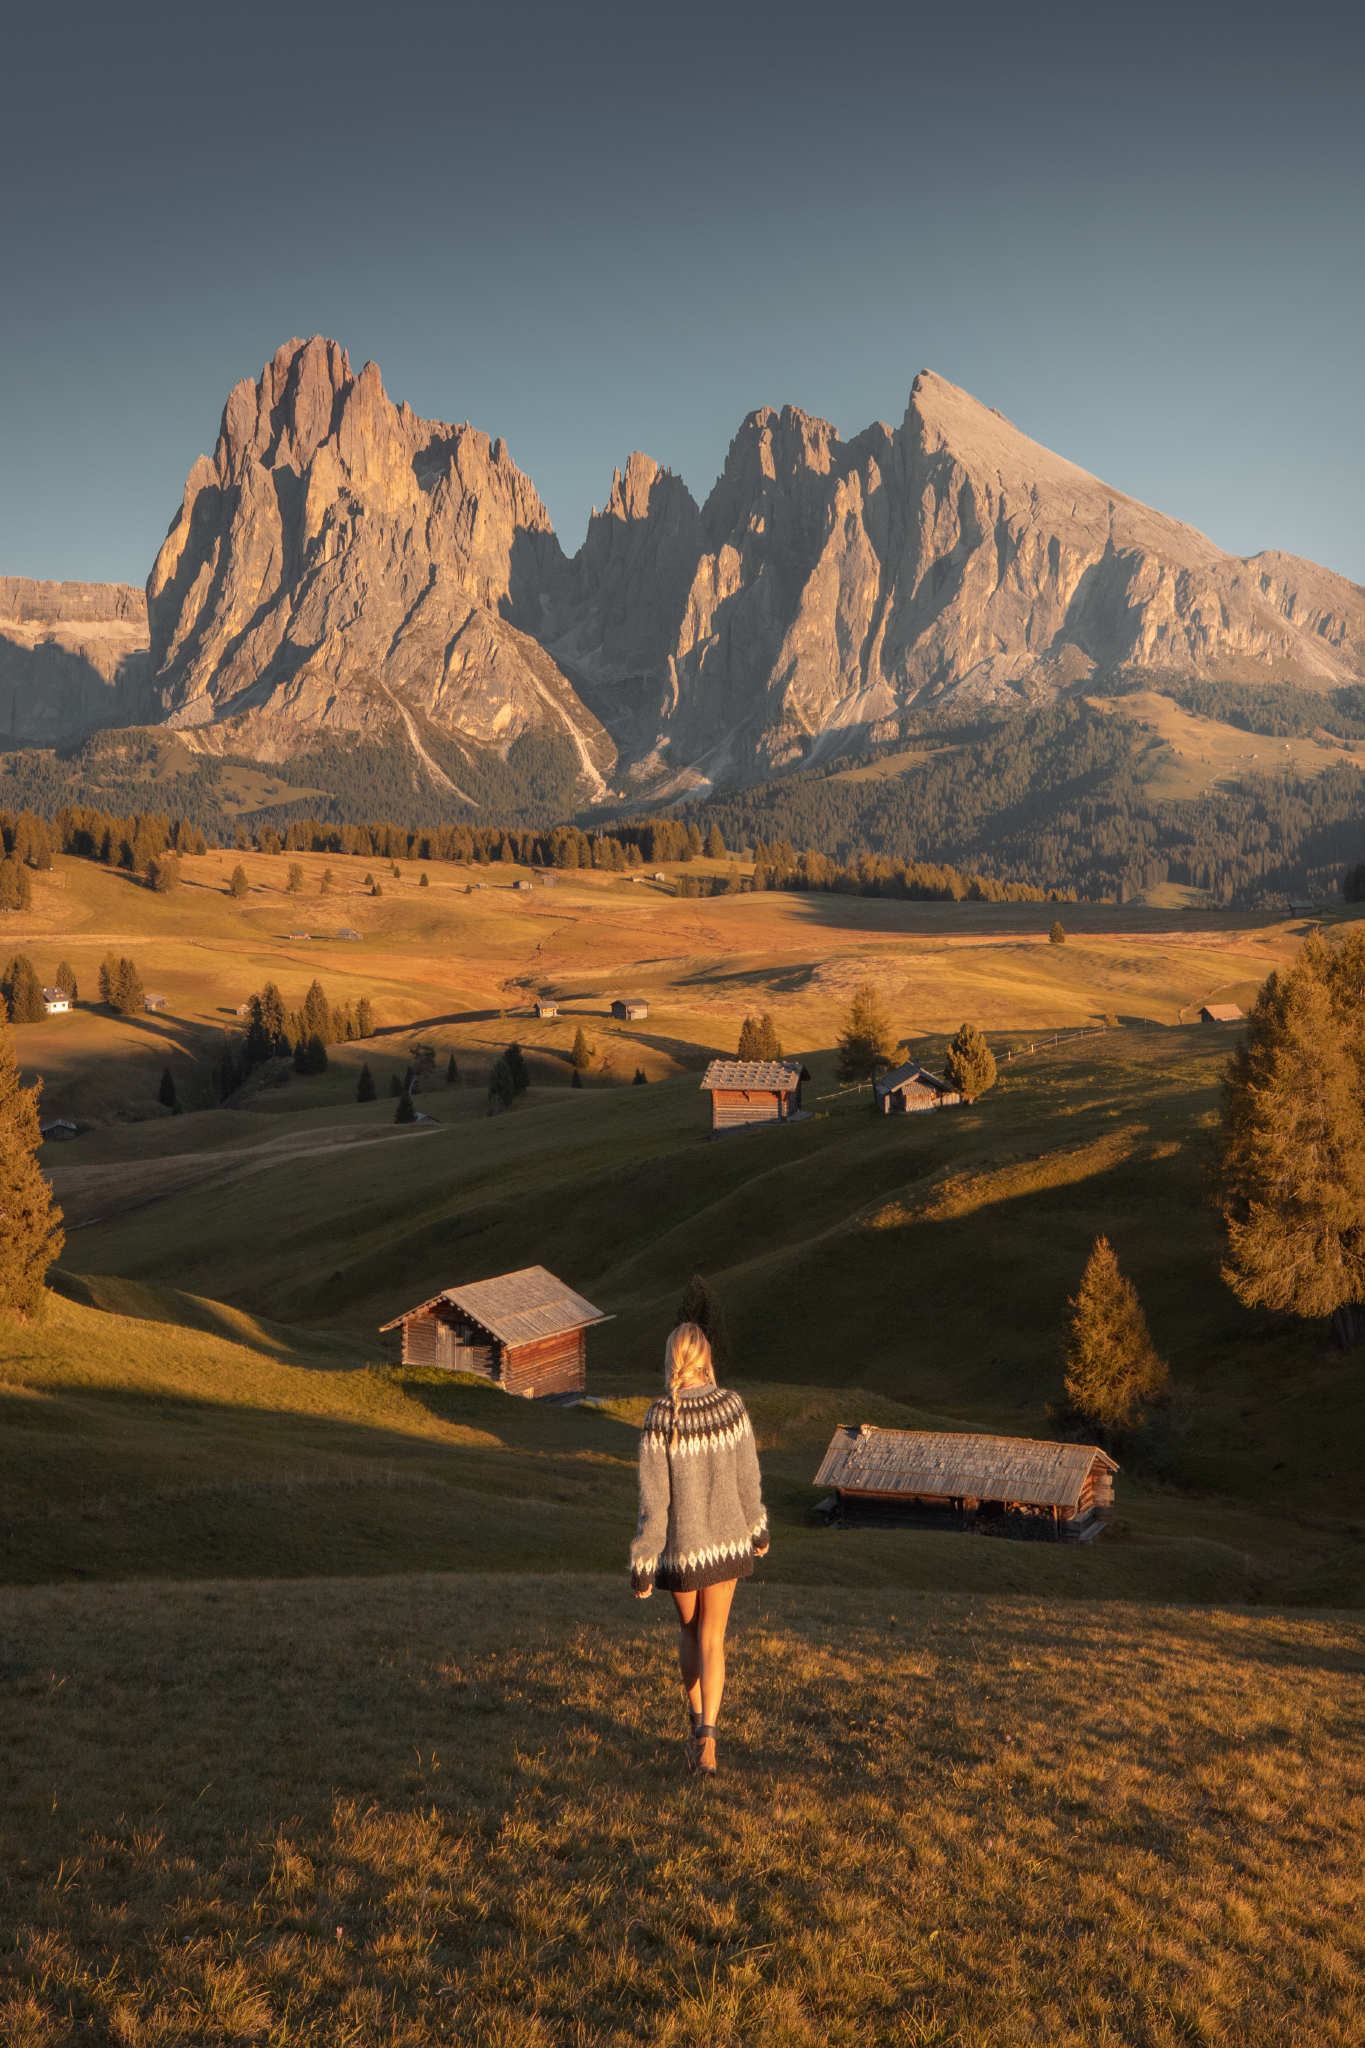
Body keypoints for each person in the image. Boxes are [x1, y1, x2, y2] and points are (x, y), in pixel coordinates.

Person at [630, 1321, 769, 1775]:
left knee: (689, 1634)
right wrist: (757, 1527)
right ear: (706, 1357)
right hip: (726, 1544)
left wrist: (644, 1560)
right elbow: (748, 1478)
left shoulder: (660, 1416)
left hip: (681, 1550)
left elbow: (654, 1501)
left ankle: (695, 1728)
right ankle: (708, 1739)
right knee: (713, 1638)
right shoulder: (732, 1406)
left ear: (672, 1358)